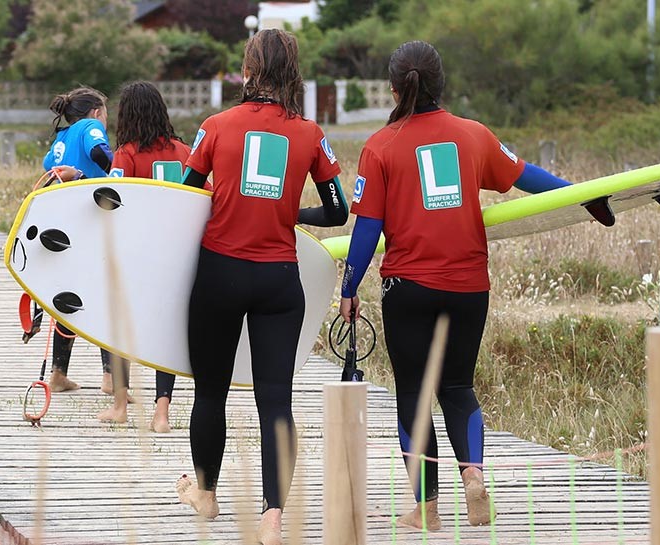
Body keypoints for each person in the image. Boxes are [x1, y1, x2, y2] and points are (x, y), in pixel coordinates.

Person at [338, 40, 576, 531]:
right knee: (458, 387)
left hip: (409, 288)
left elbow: (366, 228)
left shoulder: (380, 147)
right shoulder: (473, 136)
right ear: (441, 84)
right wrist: (581, 197)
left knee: (414, 395)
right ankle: (473, 476)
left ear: (392, 88)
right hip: (469, 285)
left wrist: (349, 286)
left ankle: (426, 509)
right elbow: (524, 175)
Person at [174, 29, 349, 545]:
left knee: (211, 391)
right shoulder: (311, 134)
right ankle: (273, 517)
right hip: (279, 278)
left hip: (220, 273)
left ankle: (205, 493)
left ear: (247, 72)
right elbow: (339, 210)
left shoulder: (214, 127)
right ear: (292, 74)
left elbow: (184, 202)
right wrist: (288, 212)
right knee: (276, 401)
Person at [106, 80, 194, 433]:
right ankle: (161, 413)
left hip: (136, 255)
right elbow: (205, 196)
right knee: (166, 333)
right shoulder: (185, 152)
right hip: (175, 255)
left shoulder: (125, 155)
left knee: (119, 327)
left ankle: (120, 405)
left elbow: (112, 202)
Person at [35, 86, 125, 412]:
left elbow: (49, 173)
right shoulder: (90, 128)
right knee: (105, 293)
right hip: (93, 220)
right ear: (96, 112)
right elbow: (102, 154)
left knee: (68, 296)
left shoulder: (59, 141)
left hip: (63, 227)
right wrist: (121, 169)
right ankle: (110, 376)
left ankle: (58, 374)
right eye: (105, 112)